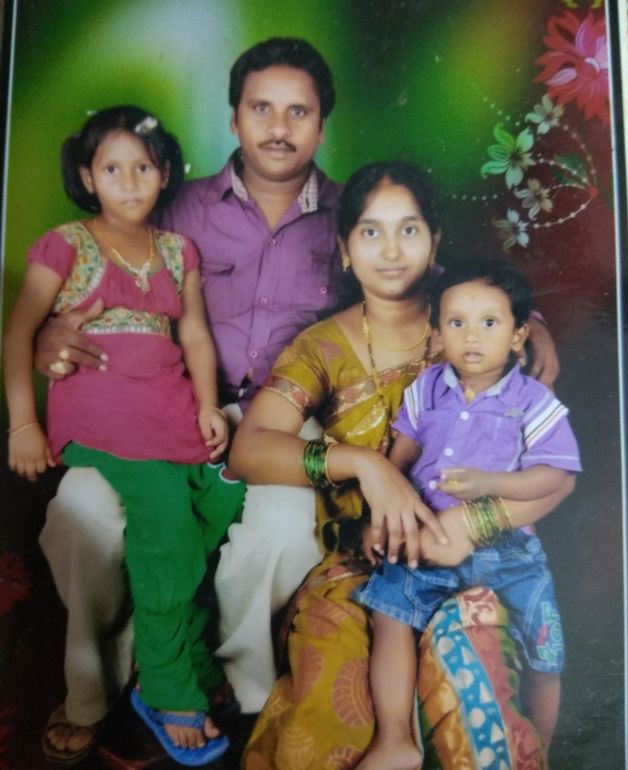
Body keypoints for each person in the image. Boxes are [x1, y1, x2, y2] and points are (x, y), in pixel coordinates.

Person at [30, 38, 560, 755]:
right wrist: (49, 331)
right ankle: (98, 685)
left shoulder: (357, 212)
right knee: (81, 514)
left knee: (280, 534)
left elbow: (445, 284)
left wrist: (533, 323)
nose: (279, 128)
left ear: (322, 125)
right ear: (233, 117)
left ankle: (237, 689)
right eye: (261, 109)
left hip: (294, 421)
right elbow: (105, 266)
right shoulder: (175, 208)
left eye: (298, 112)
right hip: (170, 410)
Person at [229, 162, 575, 770]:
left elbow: (555, 476)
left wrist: (472, 524)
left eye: (408, 230)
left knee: (474, 673)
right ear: (344, 249)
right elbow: (249, 449)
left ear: (435, 243)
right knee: (333, 692)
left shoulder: (480, 331)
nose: (391, 251)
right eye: (370, 232)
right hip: (367, 559)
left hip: (485, 556)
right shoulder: (322, 348)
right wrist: (367, 465)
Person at [3, 106, 246, 766]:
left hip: (169, 414)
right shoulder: (67, 244)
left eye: (143, 167)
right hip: (104, 422)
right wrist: (23, 423)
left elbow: (194, 334)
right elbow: (19, 332)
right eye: (112, 168)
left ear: (165, 173)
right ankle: (166, 686)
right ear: (88, 177)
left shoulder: (177, 250)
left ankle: (181, 646)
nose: (130, 181)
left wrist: (208, 405)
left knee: (219, 497)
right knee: (166, 518)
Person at [352, 257, 581, 770]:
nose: (471, 336)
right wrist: (379, 517)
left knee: (545, 651)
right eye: (456, 323)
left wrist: (491, 484)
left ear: (519, 335)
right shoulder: (427, 387)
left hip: (508, 549)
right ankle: (395, 738)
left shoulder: (533, 401)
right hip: (427, 536)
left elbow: (555, 475)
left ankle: (541, 749)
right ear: (437, 333)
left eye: (490, 323)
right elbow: (399, 459)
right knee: (389, 611)